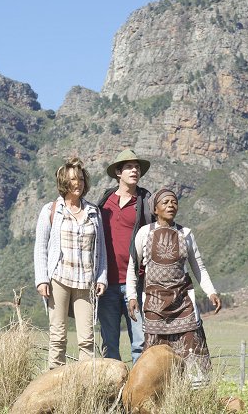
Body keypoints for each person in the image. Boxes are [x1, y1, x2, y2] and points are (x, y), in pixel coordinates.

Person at [127, 188, 221, 382]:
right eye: (165, 202)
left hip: (183, 302)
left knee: (192, 347)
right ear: (155, 209)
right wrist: (132, 296)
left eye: (174, 202)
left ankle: (196, 392)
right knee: (155, 353)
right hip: (154, 303)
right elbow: (132, 267)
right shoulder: (144, 233)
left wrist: (211, 292)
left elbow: (198, 267)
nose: (171, 205)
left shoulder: (186, 234)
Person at [34, 157, 107, 369]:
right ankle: (54, 380)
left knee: (87, 338)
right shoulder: (51, 211)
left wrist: (101, 277)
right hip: (59, 279)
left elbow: (100, 249)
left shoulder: (94, 212)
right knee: (58, 336)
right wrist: (41, 280)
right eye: (74, 179)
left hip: (86, 281)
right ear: (64, 182)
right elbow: (41, 247)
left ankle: (86, 384)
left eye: (82, 179)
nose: (79, 183)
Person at [97, 149, 153, 363]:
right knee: (109, 344)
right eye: (129, 167)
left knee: (140, 342)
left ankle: (138, 394)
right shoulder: (104, 202)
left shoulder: (145, 203)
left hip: (135, 285)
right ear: (118, 172)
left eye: (137, 167)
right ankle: (113, 392)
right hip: (106, 284)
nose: (135, 170)